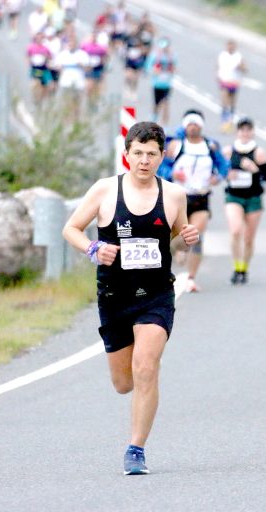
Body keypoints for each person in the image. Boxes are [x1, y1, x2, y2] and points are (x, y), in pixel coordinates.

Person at [62, 122, 199, 475]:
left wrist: (188, 237)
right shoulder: (106, 190)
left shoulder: (173, 196)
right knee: (124, 383)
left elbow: (176, 242)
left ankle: (136, 449)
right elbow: (70, 229)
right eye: (137, 153)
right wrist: (93, 249)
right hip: (114, 295)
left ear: (162, 157)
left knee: (145, 368)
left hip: (156, 294)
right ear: (127, 154)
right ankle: (142, 373)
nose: (143, 160)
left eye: (151, 154)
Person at [165, 109, 229, 292]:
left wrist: (218, 177)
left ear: (201, 126)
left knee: (196, 236)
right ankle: (177, 251)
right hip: (179, 197)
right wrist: (172, 173)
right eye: (189, 124)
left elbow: (223, 165)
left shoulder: (211, 146)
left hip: (201, 196)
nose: (193, 128)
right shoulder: (175, 145)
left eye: (196, 124)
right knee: (177, 235)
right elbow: (161, 167)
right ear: (185, 126)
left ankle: (191, 277)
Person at [223, 117, 266, 284]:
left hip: (253, 198)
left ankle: (244, 268)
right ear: (237, 132)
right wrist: (227, 175)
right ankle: (236, 267)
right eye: (242, 130)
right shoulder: (228, 151)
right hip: (234, 196)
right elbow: (218, 170)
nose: (245, 133)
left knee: (249, 237)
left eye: (248, 130)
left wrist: (255, 169)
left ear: (252, 132)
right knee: (236, 230)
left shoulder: (259, 152)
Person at [145, 37, 176, 126]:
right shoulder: (154, 55)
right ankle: (153, 119)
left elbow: (175, 68)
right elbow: (148, 67)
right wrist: (154, 70)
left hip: (167, 84)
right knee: (156, 105)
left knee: (166, 104)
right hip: (157, 84)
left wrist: (172, 70)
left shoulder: (172, 56)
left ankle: (164, 125)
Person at [217, 39, 246, 133]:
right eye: (229, 45)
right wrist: (218, 77)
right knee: (225, 103)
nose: (230, 47)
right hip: (225, 81)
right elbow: (218, 67)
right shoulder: (223, 55)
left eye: (232, 45)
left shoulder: (238, 57)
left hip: (234, 82)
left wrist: (241, 67)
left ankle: (230, 122)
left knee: (232, 104)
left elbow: (245, 69)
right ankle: (224, 123)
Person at [27, 31, 52, 106]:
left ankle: (41, 99)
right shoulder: (31, 47)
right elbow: (28, 56)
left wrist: (46, 58)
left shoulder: (45, 48)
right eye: (38, 38)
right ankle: (36, 99)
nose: (39, 39)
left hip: (43, 68)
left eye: (41, 38)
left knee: (45, 86)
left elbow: (50, 57)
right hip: (36, 68)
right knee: (35, 83)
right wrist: (30, 62)